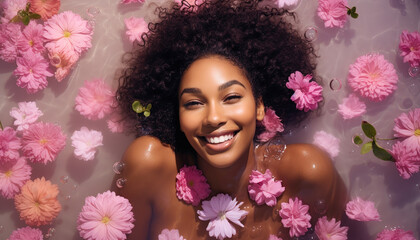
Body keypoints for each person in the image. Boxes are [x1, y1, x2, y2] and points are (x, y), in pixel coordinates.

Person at [114, 0, 347, 239]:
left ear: (259, 106)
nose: (213, 118)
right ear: (178, 115)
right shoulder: (148, 165)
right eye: (193, 103)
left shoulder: (309, 173)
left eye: (231, 97)